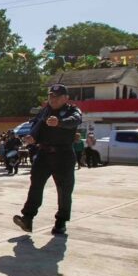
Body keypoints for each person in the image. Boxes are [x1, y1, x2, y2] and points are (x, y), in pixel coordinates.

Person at [13, 84, 84, 236]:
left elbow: (76, 120)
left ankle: (61, 222)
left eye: (56, 96)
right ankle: (28, 218)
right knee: (35, 186)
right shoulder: (44, 111)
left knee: (64, 190)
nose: (53, 99)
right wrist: (32, 137)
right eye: (50, 96)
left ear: (66, 98)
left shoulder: (72, 110)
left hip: (63, 155)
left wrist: (60, 122)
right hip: (44, 153)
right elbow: (37, 127)